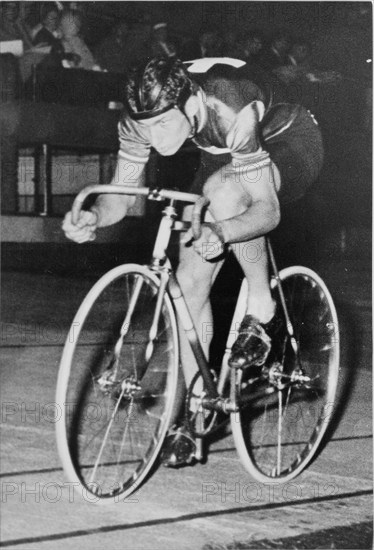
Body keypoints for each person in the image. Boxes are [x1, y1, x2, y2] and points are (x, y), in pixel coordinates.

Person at [62, 56, 323, 466]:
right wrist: (93, 217)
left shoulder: (229, 108)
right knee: (186, 285)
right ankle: (194, 411)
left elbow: (266, 212)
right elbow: (121, 196)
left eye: (164, 124)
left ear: (191, 102)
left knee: (223, 194)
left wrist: (221, 232)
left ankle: (262, 307)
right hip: (219, 155)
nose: (156, 136)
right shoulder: (140, 117)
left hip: (286, 139)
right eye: (146, 128)